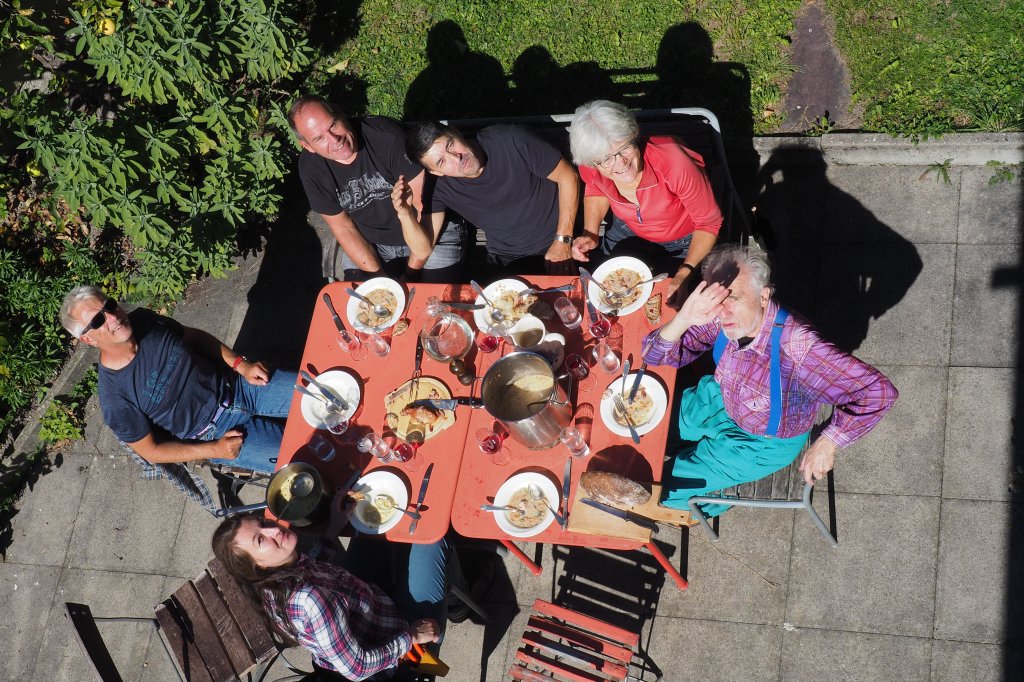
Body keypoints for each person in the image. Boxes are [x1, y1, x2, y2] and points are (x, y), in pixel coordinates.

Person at [642, 245, 898, 516]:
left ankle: (716, 499)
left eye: (734, 298)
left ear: (763, 296)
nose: (723, 313)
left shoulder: (798, 346)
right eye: (716, 300)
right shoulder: (717, 313)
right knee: (643, 426)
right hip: (720, 399)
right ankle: (695, 454)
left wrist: (829, 442)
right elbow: (654, 354)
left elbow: (877, 391)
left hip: (761, 442)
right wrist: (684, 317)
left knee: (657, 489)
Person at [212, 490, 450, 681]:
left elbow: (311, 568)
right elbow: (357, 667)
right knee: (434, 536)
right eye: (260, 540)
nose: (274, 529)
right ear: (258, 566)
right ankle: (458, 604)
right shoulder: (309, 601)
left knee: (374, 521)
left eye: (263, 523)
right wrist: (411, 636)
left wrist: (333, 529)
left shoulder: (272, 579)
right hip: (399, 644)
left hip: (367, 602)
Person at [59, 285, 294, 473]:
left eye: (109, 305)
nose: (112, 317)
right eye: (97, 320)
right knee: (302, 457)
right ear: (88, 340)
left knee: (316, 393)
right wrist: (215, 450)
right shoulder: (114, 398)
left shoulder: (143, 320)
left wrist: (240, 365)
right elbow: (151, 451)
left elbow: (192, 337)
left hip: (238, 385)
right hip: (218, 432)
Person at [289, 95, 465, 283]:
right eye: (319, 138)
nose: (334, 139)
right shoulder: (311, 169)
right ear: (307, 146)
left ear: (341, 114)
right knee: (364, 300)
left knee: (434, 298)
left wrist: (410, 274)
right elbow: (343, 227)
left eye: (333, 125)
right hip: (372, 243)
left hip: (429, 233)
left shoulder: (387, 137)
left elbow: (425, 208)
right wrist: (381, 283)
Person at [568, 100, 724, 303]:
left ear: (634, 136)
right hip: (626, 229)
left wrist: (685, 272)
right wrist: (590, 233)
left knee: (672, 301)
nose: (621, 163)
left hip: (684, 241)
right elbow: (596, 187)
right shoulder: (591, 163)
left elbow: (708, 223)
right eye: (606, 159)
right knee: (606, 293)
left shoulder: (674, 163)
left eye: (625, 148)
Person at [402, 121, 578, 276]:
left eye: (450, 145)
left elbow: (568, 177)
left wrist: (563, 240)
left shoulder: (509, 140)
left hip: (560, 239)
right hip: (507, 258)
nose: (456, 158)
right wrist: (405, 214)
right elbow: (423, 250)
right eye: (442, 161)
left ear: (456, 132)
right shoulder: (438, 187)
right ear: (435, 172)